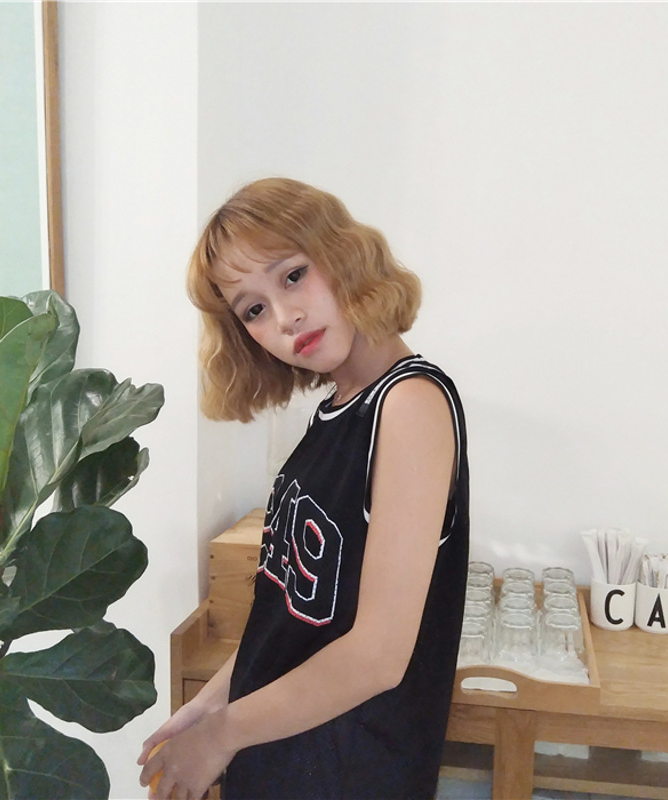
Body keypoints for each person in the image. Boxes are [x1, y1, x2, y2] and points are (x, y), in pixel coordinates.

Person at [138, 177, 469, 800]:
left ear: (341, 253)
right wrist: (210, 706)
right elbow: (295, 615)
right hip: (285, 758)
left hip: (350, 773)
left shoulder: (409, 403)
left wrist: (221, 734)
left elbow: (378, 655)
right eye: (253, 310)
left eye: (293, 276)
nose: (285, 317)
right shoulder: (335, 413)